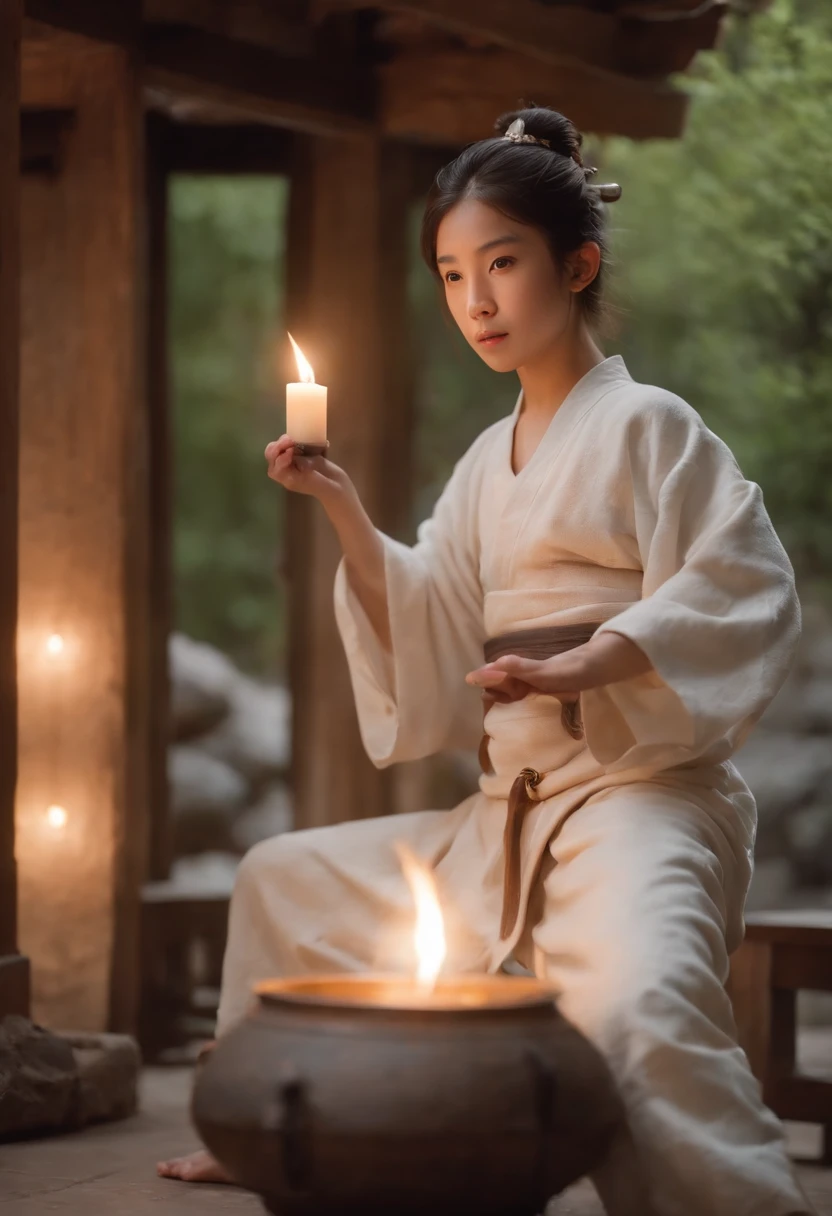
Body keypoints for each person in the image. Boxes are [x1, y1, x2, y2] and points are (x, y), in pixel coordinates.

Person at [158, 106, 815, 1216]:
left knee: (638, 1010)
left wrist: (592, 666)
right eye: (453, 273)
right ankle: (273, 1117)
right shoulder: (482, 465)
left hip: (634, 800)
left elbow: (742, 585)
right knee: (284, 880)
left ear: (578, 262)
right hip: (506, 814)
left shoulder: (651, 424)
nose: (475, 300)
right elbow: (431, 608)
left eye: (501, 264)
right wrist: (346, 512)